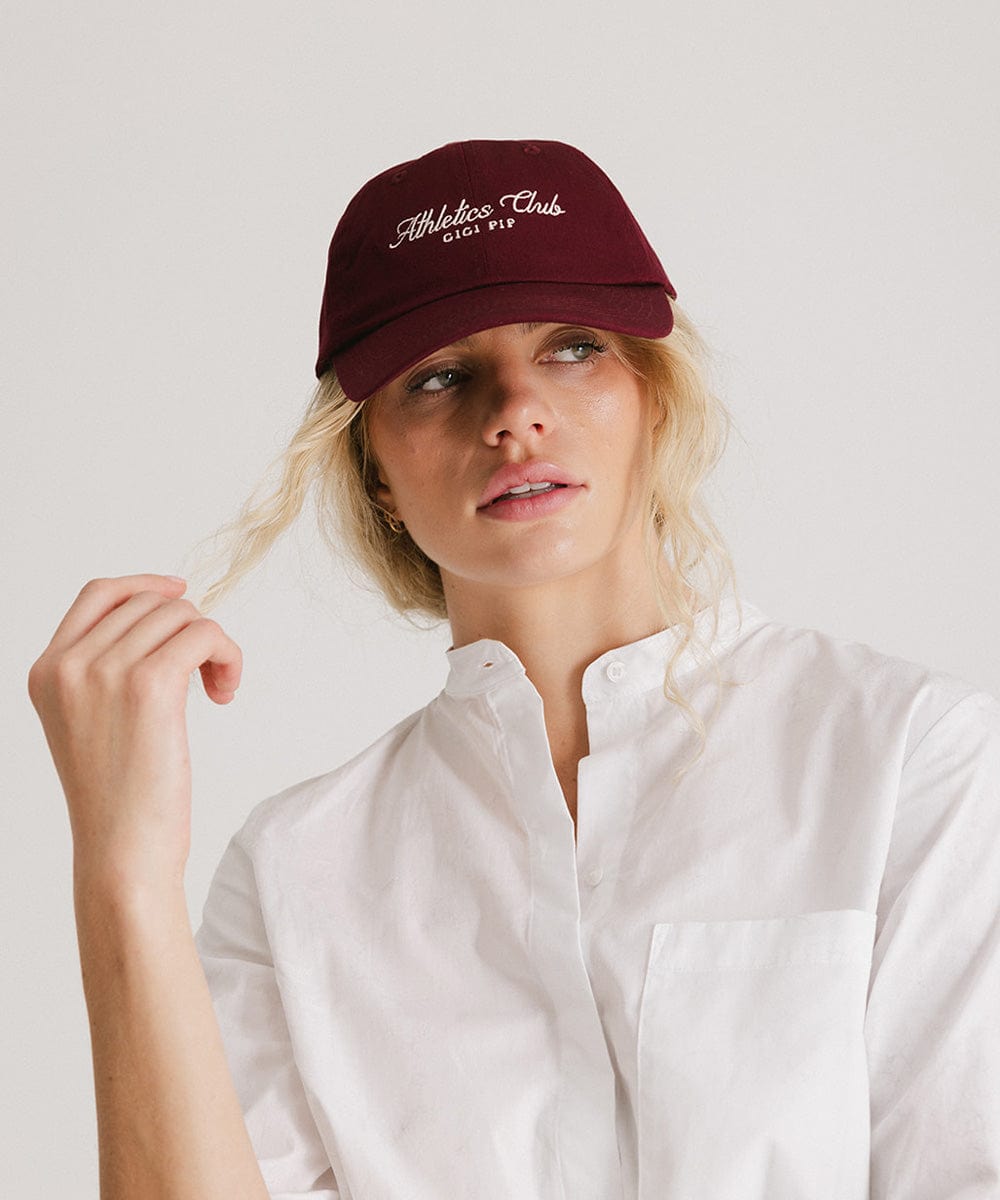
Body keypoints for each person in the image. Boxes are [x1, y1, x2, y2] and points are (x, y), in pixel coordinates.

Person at [27, 139, 1000, 1200]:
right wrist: (122, 869)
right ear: (375, 470)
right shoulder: (294, 872)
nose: (514, 413)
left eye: (574, 348)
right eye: (439, 376)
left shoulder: (909, 758)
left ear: (655, 395)